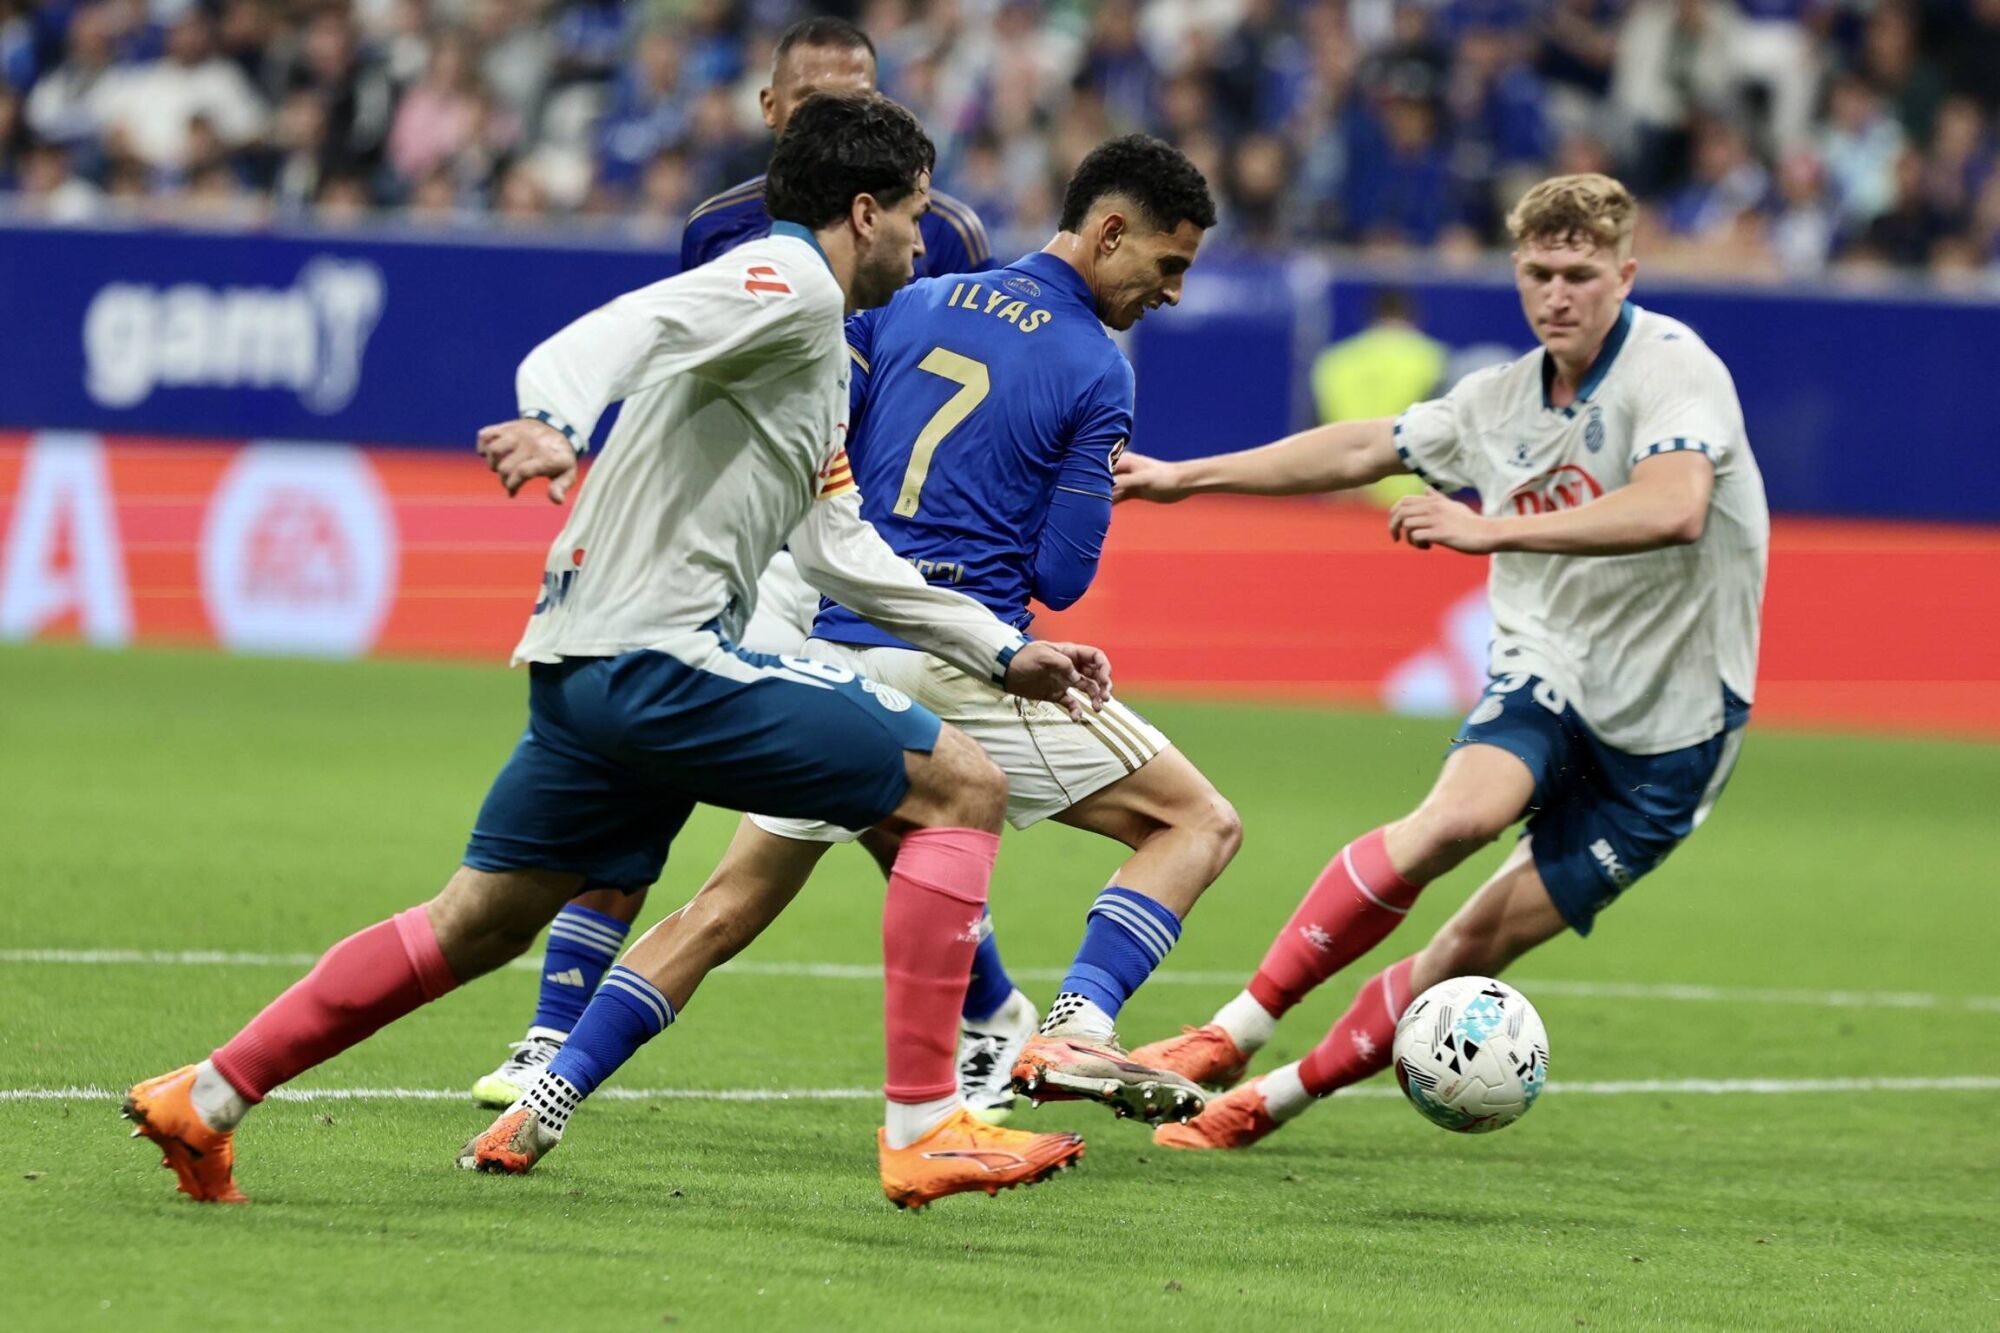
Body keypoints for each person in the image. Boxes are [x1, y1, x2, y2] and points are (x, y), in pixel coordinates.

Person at [122, 93, 1110, 1207]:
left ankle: (209, 1093)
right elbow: (620, 330)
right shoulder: (787, 280)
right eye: (917, 215)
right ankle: (927, 1125)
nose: (925, 244)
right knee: (961, 785)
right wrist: (555, 420)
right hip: (660, 659)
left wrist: (999, 652)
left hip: (582, 669)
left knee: (478, 921)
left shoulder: (814, 350)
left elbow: (840, 548)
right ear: (865, 210)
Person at [462, 135, 1239, 1208]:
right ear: (1110, 232)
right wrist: (1076, 488)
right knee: (1195, 823)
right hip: (972, 655)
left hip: (838, 642)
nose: (1172, 290)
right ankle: (1075, 1025)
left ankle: (542, 1102)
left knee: (725, 904)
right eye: (1168, 262)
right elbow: (1063, 575)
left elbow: (828, 450)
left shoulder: (909, 304)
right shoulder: (1098, 368)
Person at [1112, 173, 1768, 1150]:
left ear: (1624, 276)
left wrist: (1488, 527)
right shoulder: (1497, 401)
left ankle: (1274, 1097)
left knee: (1468, 947)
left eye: (1580, 275)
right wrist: (1185, 476)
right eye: (1539, 273)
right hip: (1550, 670)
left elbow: (1673, 505)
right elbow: (1360, 450)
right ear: (1517, 275)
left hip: (1670, 734)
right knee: (1454, 819)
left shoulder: (1673, 370)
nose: (1557, 295)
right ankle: (1232, 1031)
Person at [470, 15, 1012, 1116]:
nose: (841, 114)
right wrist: (573, 435)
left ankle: (984, 1016)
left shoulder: (944, 232)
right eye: (817, 99)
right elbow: (674, 363)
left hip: (853, 527)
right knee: (690, 763)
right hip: (751, 537)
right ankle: (553, 1033)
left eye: (861, 96)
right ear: (771, 111)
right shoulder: (728, 231)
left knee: (892, 786)